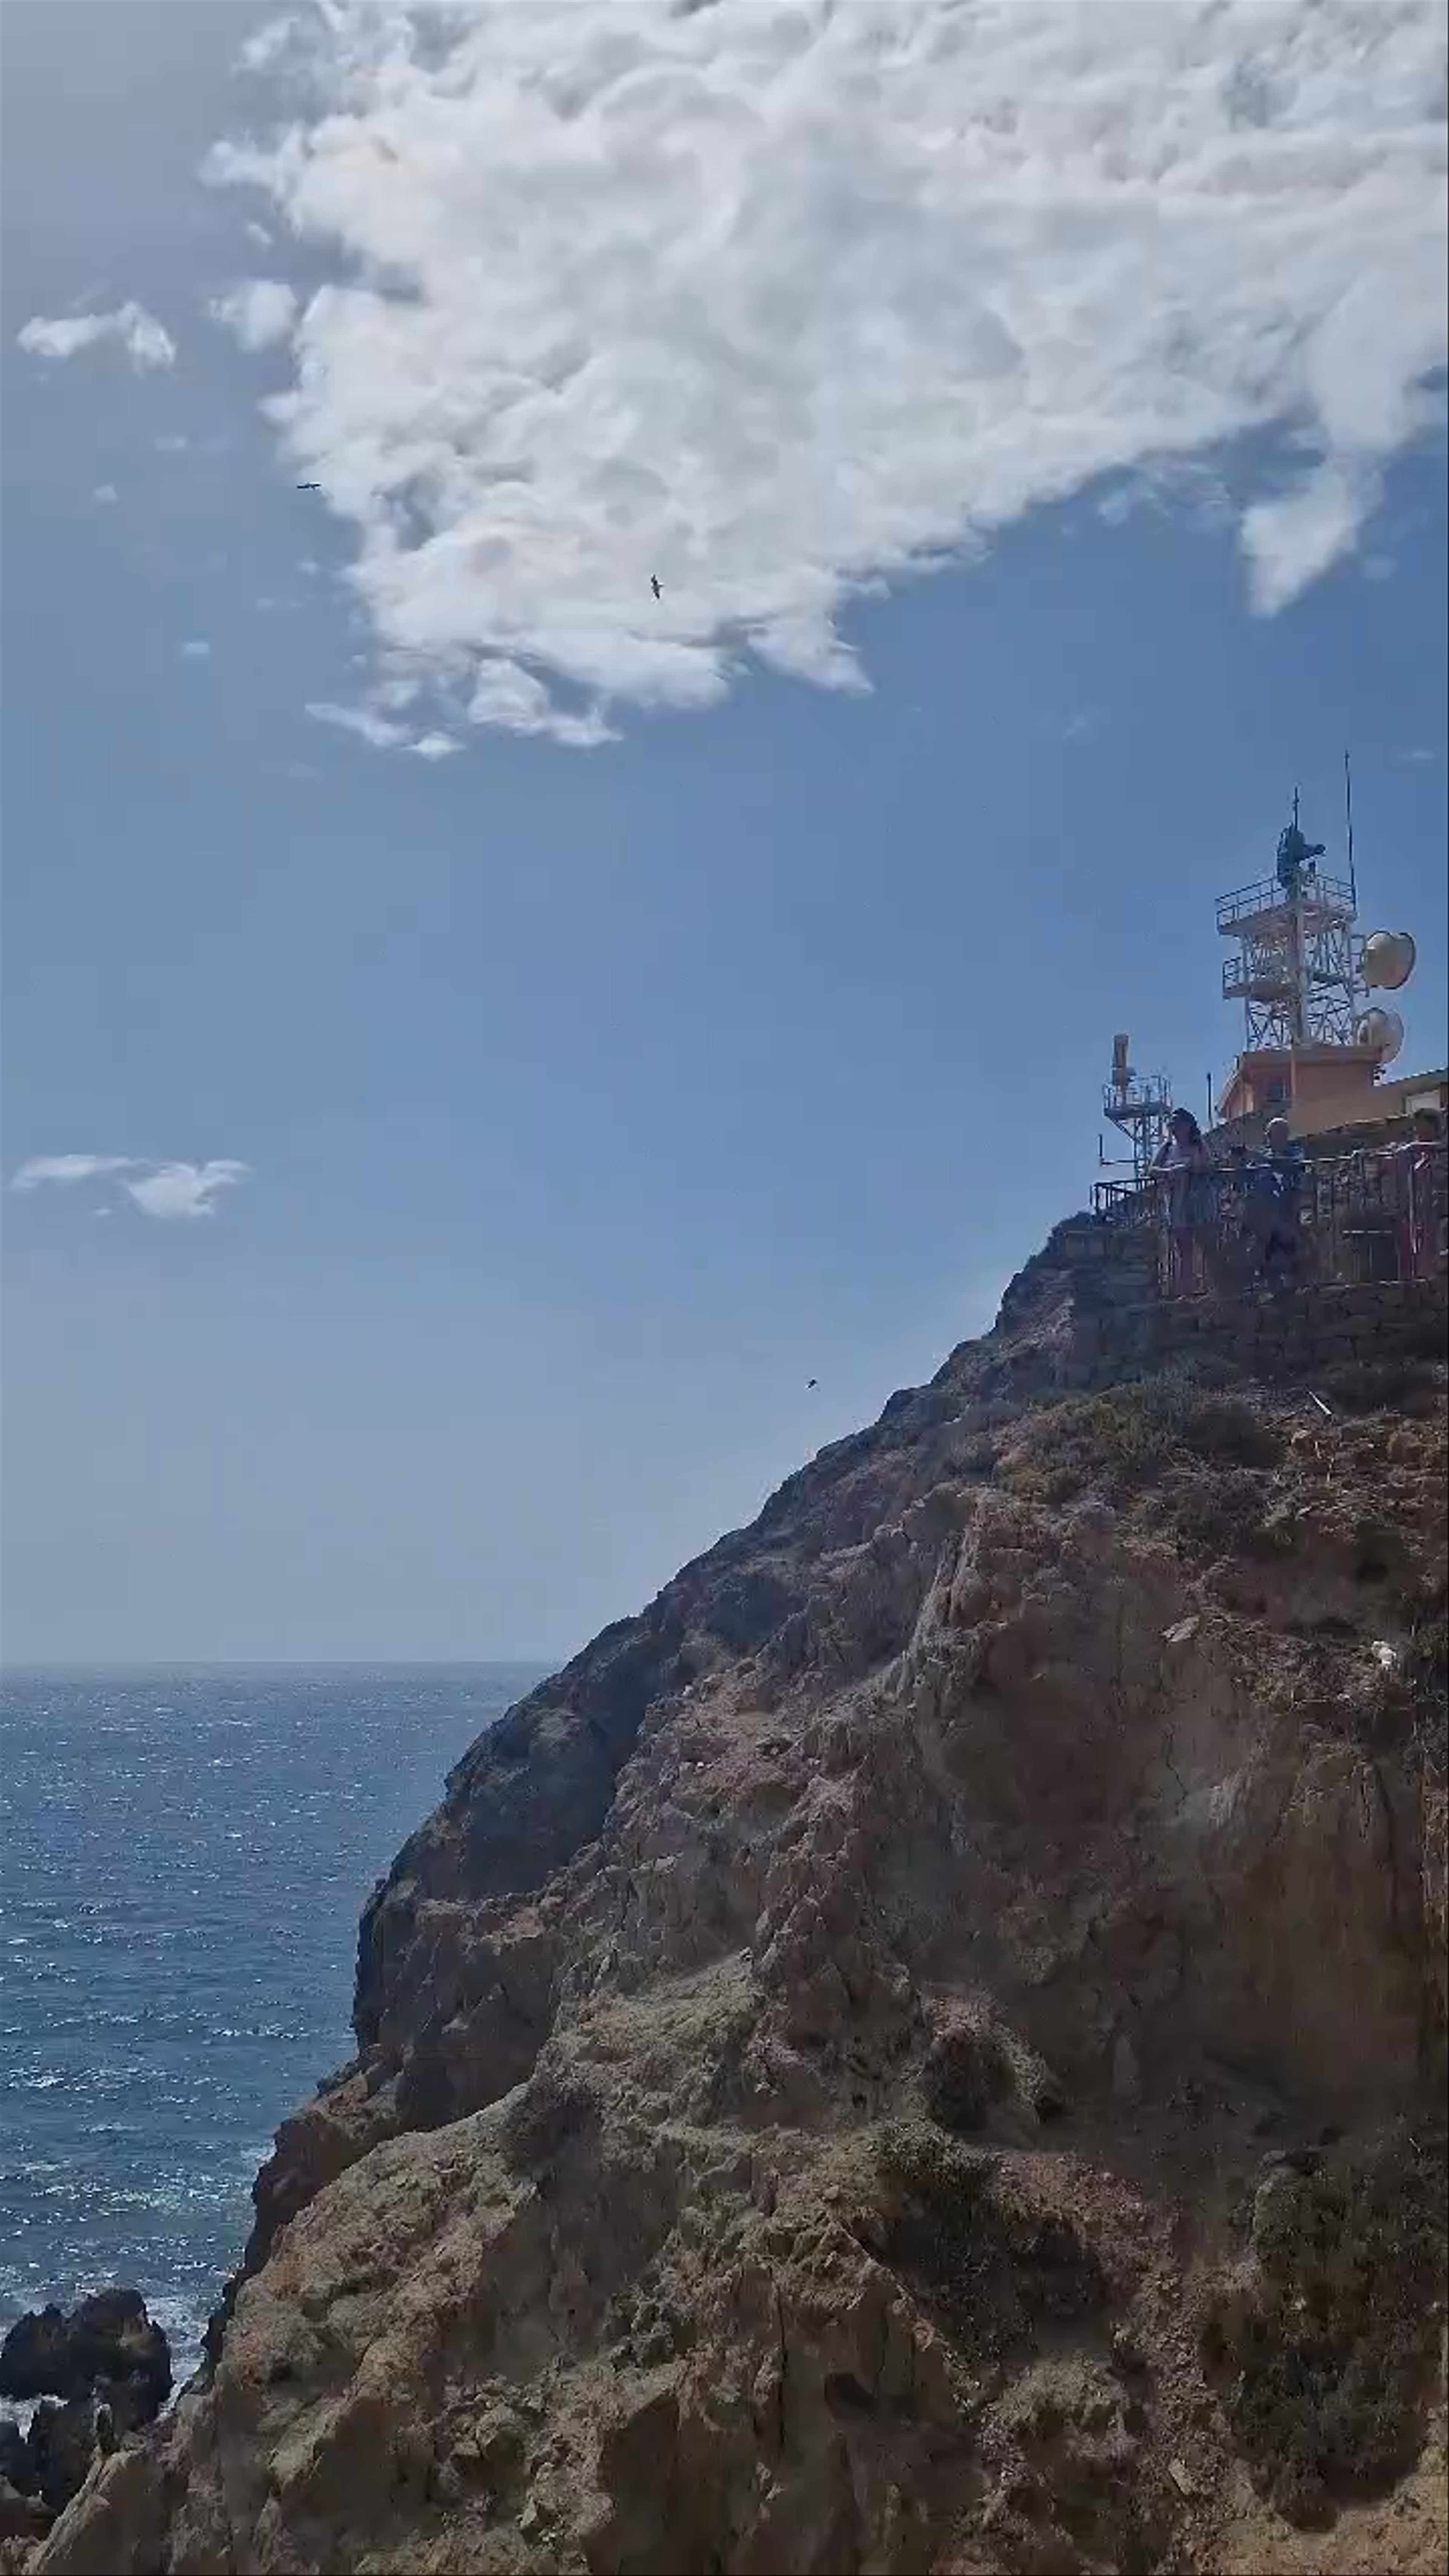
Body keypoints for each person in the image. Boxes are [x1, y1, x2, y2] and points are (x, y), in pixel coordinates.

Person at [1152, 1108, 1214, 1296]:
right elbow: (1152, 1170)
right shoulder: (1167, 1149)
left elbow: (1210, 1166)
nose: (1176, 1129)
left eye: (1179, 1125)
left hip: (1200, 1201)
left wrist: (1192, 1168)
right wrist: (1169, 1172)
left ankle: (1211, 1289)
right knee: (1184, 1249)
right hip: (1177, 1202)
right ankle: (1185, 1292)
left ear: (1188, 1127)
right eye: (1173, 1126)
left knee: (1207, 1246)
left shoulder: (1199, 1146)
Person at [1254, 1116, 1306, 1293]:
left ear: (1285, 1136)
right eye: (1269, 1136)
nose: (1272, 1139)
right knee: (1268, 1249)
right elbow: (1248, 1174)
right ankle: (1273, 1290)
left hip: (1289, 1207)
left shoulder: (1295, 1151)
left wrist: (1266, 1159)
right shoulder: (1262, 1154)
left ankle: (1296, 1289)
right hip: (1266, 1212)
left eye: (1276, 1135)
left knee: (1291, 1245)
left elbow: (1292, 1165)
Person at [1395, 1106, 1443, 1282]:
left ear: (1432, 1127)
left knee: (1435, 1246)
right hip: (1422, 1211)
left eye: (1420, 1126)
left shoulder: (1441, 1151)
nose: (1416, 1130)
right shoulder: (1418, 1152)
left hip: (1439, 1210)